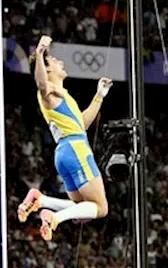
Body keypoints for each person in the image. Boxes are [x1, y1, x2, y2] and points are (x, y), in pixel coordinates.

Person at [19, 34, 111, 241]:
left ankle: (41, 201)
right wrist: (41, 53)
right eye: (54, 61)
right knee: (101, 208)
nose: (60, 62)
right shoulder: (50, 92)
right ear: (48, 69)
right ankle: (55, 218)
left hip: (65, 151)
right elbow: (42, 85)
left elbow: (82, 124)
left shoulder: (63, 95)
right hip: (76, 148)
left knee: (83, 209)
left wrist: (99, 96)